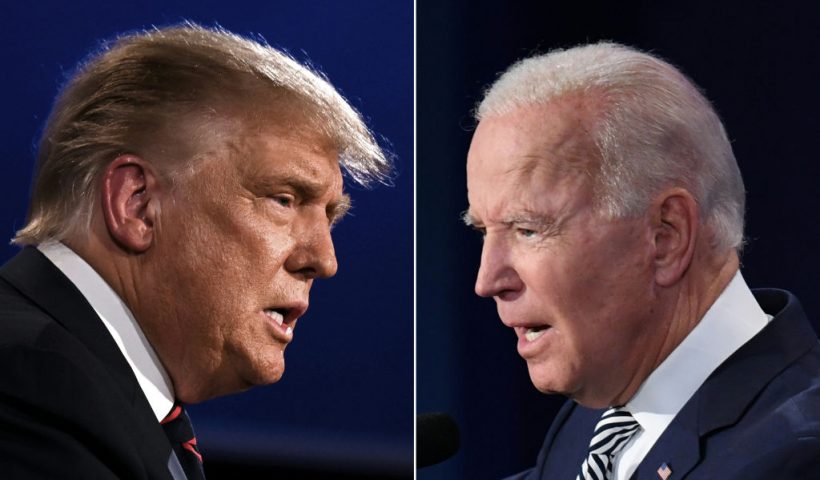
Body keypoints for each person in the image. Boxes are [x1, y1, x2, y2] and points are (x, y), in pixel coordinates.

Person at [0, 23, 390, 479]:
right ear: (138, 205)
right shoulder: (31, 383)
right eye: (284, 200)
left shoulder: (98, 389)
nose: (324, 260)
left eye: (331, 217)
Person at [463, 42, 820, 479]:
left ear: (665, 237)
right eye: (484, 231)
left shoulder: (795, 456)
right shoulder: (602, 414)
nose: (488, 279)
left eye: (528, 229)